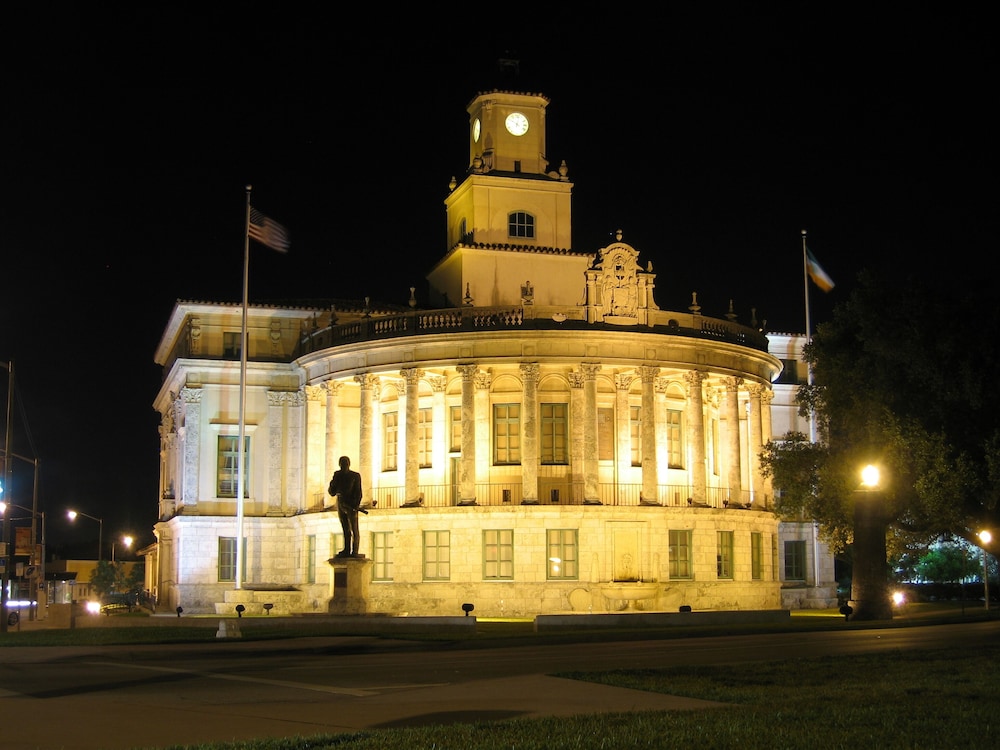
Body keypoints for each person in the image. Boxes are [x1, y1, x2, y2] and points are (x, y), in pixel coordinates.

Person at [328, 455, 362, 557]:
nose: (344, 466)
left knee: (354, 529)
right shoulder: (337, 475)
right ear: (340, 465)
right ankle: (346, 550)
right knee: (345, 529)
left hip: (351, 505)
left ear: (349, 464)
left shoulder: (355, 476)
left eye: (345, 463)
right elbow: (332, 492)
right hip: (341, 504)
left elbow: (358, 492)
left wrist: (355, 505)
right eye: (342, 464)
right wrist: (332, 484)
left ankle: (355, 551)